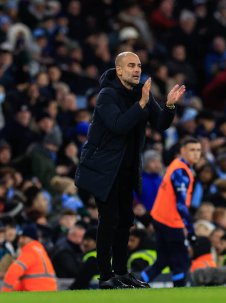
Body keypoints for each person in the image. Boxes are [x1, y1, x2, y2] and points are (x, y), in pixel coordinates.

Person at [75, 51, 185, 289]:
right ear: (119, 70)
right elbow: (118, 126)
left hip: (126, 168)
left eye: (139, 65)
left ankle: (122, 273)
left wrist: (168, 105)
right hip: (103, 169)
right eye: (131, 65)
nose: (137, 69)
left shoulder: (139, 92)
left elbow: (160, 124)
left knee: (125, 221)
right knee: (109, 220)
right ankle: (105, 277)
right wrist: (142, 104)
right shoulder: (106, 95)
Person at [140, 137, 202, 287]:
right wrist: (190, 230)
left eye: (198, 150)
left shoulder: (177, 165)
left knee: (163, 260)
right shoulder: (181, 171)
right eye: (192, 150)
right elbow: (181, 204)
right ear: (182, 151)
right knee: (181, 261)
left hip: (160, 218)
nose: (196, 154)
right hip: (170, 222)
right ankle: (180, 292)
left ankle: (138, 282)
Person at [1, 224, 57, 292]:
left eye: (23, 237)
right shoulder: (41, 251)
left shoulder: (30, 250)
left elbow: (13, 272)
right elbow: (26, 281)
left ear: (28, 238)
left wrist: (5, 291)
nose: (20, 240)